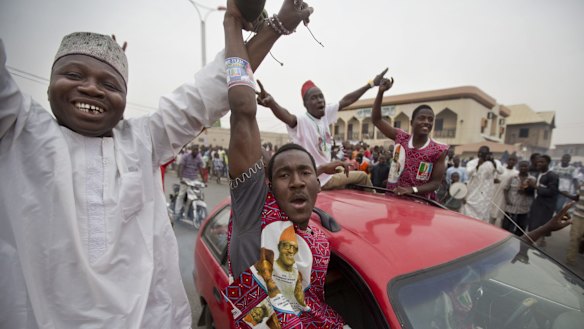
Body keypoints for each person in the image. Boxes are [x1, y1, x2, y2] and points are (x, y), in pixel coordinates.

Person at [0, 0, 303, 326]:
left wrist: (275, 27)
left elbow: (220, 89)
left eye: (109, 84)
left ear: (125, 98)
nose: (91, 88)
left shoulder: (142, 140)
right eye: (74, 74)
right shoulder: (18, 131)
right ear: (48, 88)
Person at [222, 2, 348, 326]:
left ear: (317, 184)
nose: (296, 182)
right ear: (268, 185)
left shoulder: (319, 242)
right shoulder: (255, 215)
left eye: (305, 173)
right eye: (283, 175)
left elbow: (310, 300)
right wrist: (235, 22)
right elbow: (241, 107)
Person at [256, 68, 389, 190]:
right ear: (305, 104)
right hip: (319, 178)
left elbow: (347, 100)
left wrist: (371, 84)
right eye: (314, 98)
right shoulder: (302, 121)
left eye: (321, 97)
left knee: (345, 169)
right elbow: (287, 117)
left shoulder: (324, 114)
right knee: (363, 176)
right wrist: (272, 104)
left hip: (328, 173)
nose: (320, 100)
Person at [372, 79, 449, 200]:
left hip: (419, 204)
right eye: (422, 118)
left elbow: (435, 183)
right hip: (393, 199)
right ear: (412, 122)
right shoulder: (400, 137)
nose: (426, 122)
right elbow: (377, 120)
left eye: (430, 119)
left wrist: (412, 190)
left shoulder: (439, 150)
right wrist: (380, 92)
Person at [461, 146, 504, 222]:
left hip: (486, 194)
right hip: (473, 193)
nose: (481, 155)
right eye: (480, 153)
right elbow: (468, 173)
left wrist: (493, 162)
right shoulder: (472, 162)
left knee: (484, 214)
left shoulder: (494, 162)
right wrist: (478, 165)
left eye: (483, 153)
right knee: (469, 214)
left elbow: (501, 171)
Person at [527, 154, 559, 246]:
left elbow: (552, 192)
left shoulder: (552, 176)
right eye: (538, 161)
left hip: (545, 207)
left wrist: (536, 187)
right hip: (537, 204)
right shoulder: (538, 174)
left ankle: (538, 248)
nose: (539, 163)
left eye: (542, 162)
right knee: (533, 227)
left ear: (548, 163)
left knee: (540, 228)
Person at [502, 160, 536, 236]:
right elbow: (505, 189)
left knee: (521, 228)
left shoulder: (532, 179)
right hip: (511, 207)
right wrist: (507, 200)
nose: (523, 168)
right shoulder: (513, 177)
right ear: (518, 167)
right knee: (506, 227)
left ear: (528, 167)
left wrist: (527, 190)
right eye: (521, 166)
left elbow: (534, 193)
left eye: (525, 166)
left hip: (523, 208)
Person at [174, 146, 204, 219]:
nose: (196, 152)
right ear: (192, 150)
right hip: (185, 178)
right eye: (195, 150)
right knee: (181, 194)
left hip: (194, 179)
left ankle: (190, 211)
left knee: (196, 195)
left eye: (197, 151)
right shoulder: (186, 156)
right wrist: (181, 179)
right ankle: (177, 212)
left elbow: (200, 169)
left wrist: (203, 179)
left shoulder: (198, 158)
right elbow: (181, 167)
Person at [489, 154, 518, 225]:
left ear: (516, 162)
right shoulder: (501, 170)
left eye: (513, 160)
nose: (511, 161)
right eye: (510, 159)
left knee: (501, 217)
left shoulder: (516, 173)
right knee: (492, 215)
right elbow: (492, 180)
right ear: (507, 160)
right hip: (495, 194)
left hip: (505, 198)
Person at [566, 181, 584, 266]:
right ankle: (570, 261)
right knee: (575, 238)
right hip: (578, 215)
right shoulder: (582, 184)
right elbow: (577, 197)